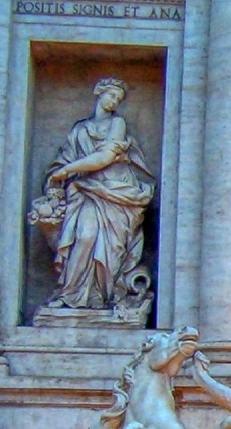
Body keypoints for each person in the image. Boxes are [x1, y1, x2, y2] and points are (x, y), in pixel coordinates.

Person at [40, 77, 155, 310]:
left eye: (118, 99)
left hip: (115, 192)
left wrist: (66, 170)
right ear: (98, 92)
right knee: (84, 237)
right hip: (84, 192)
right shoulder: (79, 129)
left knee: (110, 246)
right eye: (111, 95)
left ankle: (99, 296)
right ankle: (71, 293)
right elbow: (64, 159)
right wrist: (59, 175)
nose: (114, 101)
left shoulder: (117, 124)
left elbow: (104, 158)